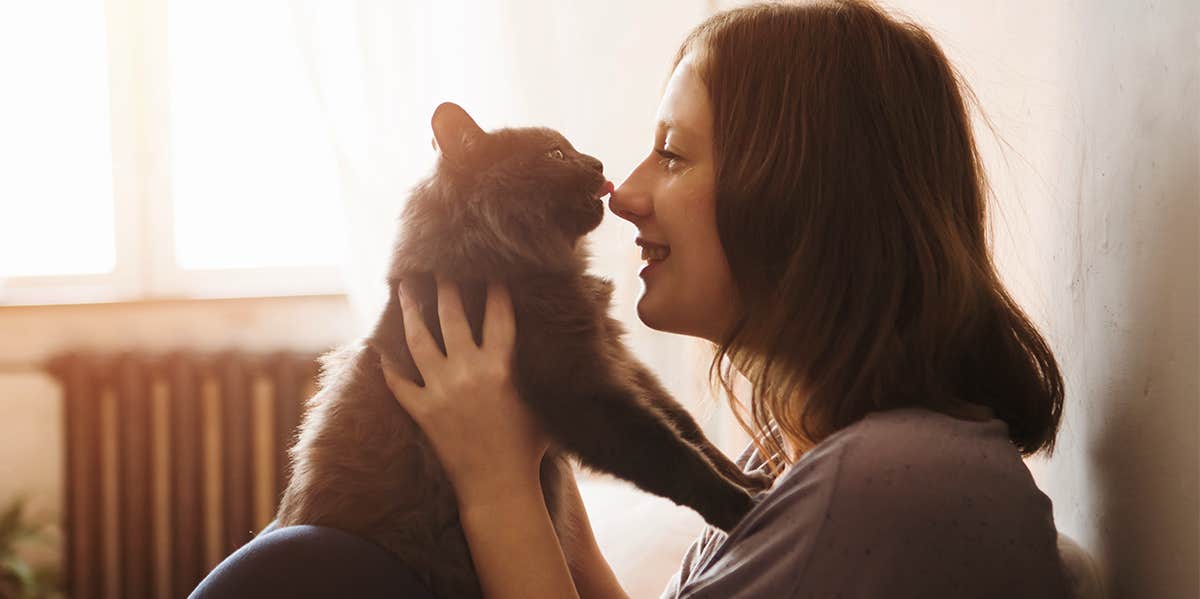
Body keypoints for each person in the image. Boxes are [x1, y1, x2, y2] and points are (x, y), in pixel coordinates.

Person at [193, 1, 1069, 597]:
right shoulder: (802, 459)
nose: (624, 192)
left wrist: (495, 484)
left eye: (675, 154)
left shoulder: (883, 481)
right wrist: (540, 471)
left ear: (800, 195)